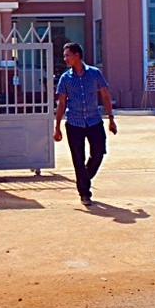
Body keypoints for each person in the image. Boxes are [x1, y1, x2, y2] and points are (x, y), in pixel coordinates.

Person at [53, 42, 116, 206]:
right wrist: (57, 127)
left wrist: (111, 118)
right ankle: (84, 193)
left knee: (99, 153)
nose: (65, 59)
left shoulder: (94, 74)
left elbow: (105, 95)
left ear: (77, 55)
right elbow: (61, 103)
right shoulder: (65, 78)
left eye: (67, 55)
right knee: (78, 158)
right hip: (74, 123)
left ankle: (84, 178)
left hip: (94, 120)